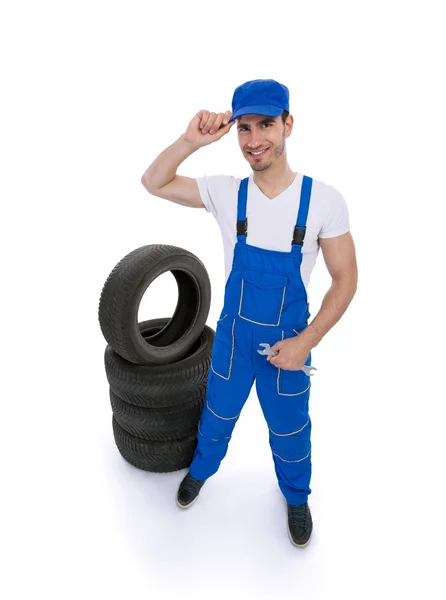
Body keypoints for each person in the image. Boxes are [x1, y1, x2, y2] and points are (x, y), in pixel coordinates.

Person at [141, 79, 358, 548]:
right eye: (244, 128)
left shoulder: (323, 201)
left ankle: (296, 499)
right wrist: (191, 141)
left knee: (291, 430)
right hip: (234, 342)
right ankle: (200, 474)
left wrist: (307, 342)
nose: (254, 139)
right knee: (216, 418)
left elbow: (346, 279)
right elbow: (152, 182)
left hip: (288, 348)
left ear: (288, 125)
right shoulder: (226, 193)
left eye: (266, 125)